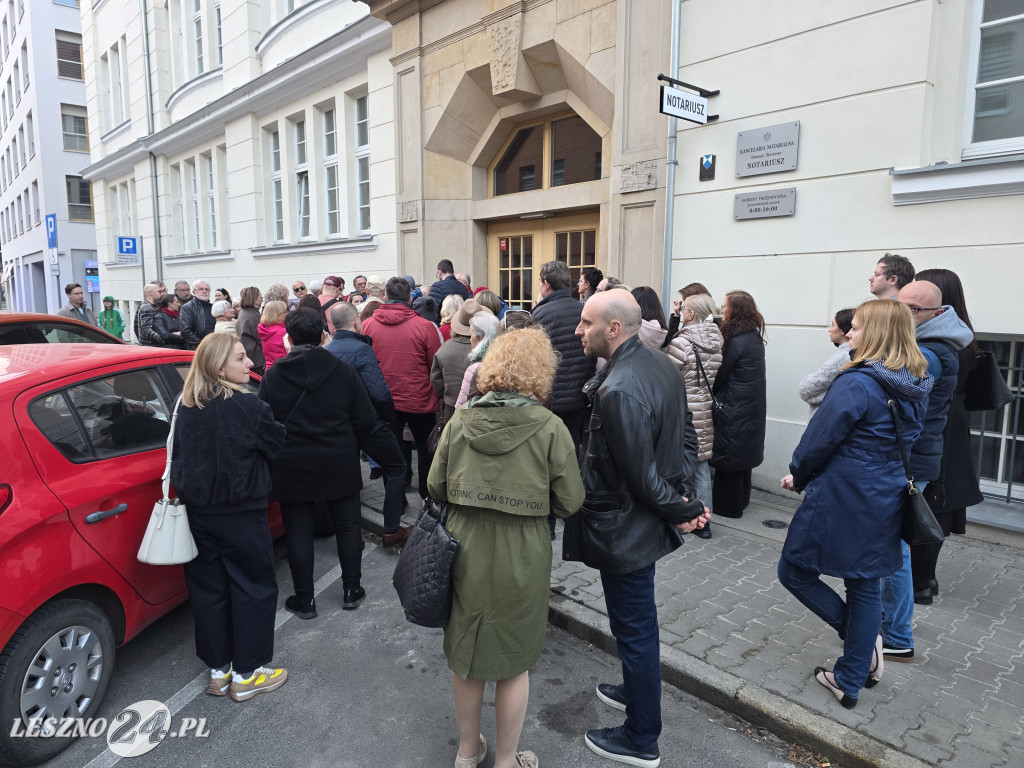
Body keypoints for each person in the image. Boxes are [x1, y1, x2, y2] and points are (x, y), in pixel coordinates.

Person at [428, 327, 585, 768]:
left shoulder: (461, 420)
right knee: (515, 659)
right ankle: (507, 759)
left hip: (464, 547)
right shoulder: (551, 428)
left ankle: (466, 752)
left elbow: (434, 486)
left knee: (467, 653)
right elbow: (571, 501)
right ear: (543, 373)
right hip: (523, 551)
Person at [565, 290, 707, 768]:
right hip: (639, 521)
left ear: (614, 328)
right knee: (635, 625)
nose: (577, 331)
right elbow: (686, 439)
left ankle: (641, 737)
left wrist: (681, 506)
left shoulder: (619, 388)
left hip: (627, 528)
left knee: (636, 630)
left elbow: (642, 477)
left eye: (585, 323)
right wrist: (684, 496)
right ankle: (633, 690)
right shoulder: (660, 363)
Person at [778, 299, 932, 709]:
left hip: (844, 495)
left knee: (792, 570)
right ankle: (850, 677)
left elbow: (818, 440)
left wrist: (799, 473)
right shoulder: (916, 381)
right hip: (887, 494)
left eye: (858, 327)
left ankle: (861, 651)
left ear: (877, 334)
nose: (849, 333)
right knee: (864, 585)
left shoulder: (857, 382)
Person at [170, 334, 288, 701]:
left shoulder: (186, 407)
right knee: (253, 588)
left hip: (198, 515)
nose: (250, 364)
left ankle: (219, 670)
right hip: (241, 514)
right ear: (219, 367)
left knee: (208, 591)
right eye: (240, 358)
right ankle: (248, 673)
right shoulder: (248, 408)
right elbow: (276, 446)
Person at [258, 308, 377, 617]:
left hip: (292, 463)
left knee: (298, 532)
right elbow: (365, 418)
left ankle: (305, 599)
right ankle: (352, 589)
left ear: (289, 338)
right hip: (338, 458)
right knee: (349, 526)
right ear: (324, 334)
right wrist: (354, 446)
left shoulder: (274, 375)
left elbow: (264, 423)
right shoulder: (343, 370)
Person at [880, 279, 973, 663]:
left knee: (893, 551)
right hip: (914, 459)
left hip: (910, 463)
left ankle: (897, 635)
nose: (901, 314)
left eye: (910, 310)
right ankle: (886, 625)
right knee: (892, 548)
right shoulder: (930, 343)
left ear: (935, 314)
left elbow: (900, 390)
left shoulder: (931, 352)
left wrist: (861, 360)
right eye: (899, 305)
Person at [910, 268, 983, 605]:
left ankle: (920, 581)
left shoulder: (939, 342)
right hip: (952, 424)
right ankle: (926, 578)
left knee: (929, 501)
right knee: (937, 502)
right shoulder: (963, 335)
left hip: (938, 424)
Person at [324, 301, 412, 546]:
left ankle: (348, 527)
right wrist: (388, 417)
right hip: (368, 423)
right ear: (355, 321)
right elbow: (380, 393)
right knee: (397, 467)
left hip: (342, 424)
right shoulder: (361, 350)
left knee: (350, 474)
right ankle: (392, 528)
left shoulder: (328, 351)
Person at [362, 276, 443, 509]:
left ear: (385, 297)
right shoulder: (425, 327)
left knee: (393, 451)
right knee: (426, 449)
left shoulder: (368, 325)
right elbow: (434, 366)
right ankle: (428, 497)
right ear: (410, 297)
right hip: (419, 398)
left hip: (384, 399)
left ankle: (396, 499)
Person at [665, 293, 722, 539]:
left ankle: (683, 516)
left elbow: (667, 376)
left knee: (680, 465)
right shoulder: (717, 341)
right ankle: (704, 520)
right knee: (700, 465)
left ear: (689, 313)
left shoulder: (682, 343)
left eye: (684, 309)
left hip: (683, 411)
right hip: (705, 410)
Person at [711, 290, 767, 519]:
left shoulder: (735, 339)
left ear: (736, 310)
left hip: (734, 406)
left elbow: (720, 373)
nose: (722, 310)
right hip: (749, 406)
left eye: (725, 306)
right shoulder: (751, 334)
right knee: (742, 457)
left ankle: (728, 508)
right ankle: (742, 501)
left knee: (729, 457)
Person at [531, 260, 595, 453]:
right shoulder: (582, 311)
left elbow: (533, 358)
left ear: (546, 283)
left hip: (549, 399)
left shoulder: (540, 314)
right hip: (578, 396)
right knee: (571, 448)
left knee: (546, 451)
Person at [798, 308, 854, 416]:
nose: (829, 329)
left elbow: (806, 389)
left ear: (843, 330)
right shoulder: (845, 353)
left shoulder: (843, 356)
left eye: (833, 325)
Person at [431, 298, 477, 421]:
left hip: (450, 406)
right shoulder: (488, 350)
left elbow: (436, 380)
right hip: (478, 408)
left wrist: (447, 395)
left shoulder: (444, 349)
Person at [454, 310, 500, 409]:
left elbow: (461, 407)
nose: (470, 339)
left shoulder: (475, 368)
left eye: (471, 336)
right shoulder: (506, 360)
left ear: (479, 338)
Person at [237, 286, 265, 375]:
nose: (262, 300)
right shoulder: (253, 315)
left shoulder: (244, 313)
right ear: (254, 299)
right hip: (256, 359)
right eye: (260, 298)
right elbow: (261, 337)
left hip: (249, 356)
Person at [179, 280, 215, 349]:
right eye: (201, 289)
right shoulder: (188, 307)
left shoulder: (213, 307)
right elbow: (185, 331)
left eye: (207, 289)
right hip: (197, 348)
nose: (204, 291)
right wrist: (201, 344)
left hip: (213, 346)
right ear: (194, 292)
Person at [258, 300, 289, 370]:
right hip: (283, 368)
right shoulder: (283, 332)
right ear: (278, 316)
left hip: (270, 368)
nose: (287, 314)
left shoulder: (265, 329)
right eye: (285, 312)